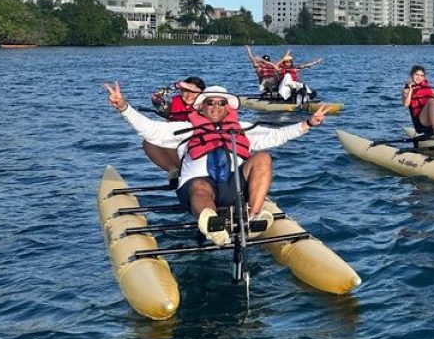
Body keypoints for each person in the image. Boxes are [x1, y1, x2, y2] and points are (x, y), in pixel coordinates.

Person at [105, 81, 326, 246]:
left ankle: (253, 218)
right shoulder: (184, 128)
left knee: (263, 158)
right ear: (201, 107)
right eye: (211, 102)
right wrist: (124, 107)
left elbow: (275, 136)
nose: (217, 107)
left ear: (228, 108)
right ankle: (211, 224)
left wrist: (307, 124)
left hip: (234, 189)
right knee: (201, 187)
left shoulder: (242, 126)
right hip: (196, 188)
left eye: (222, 103)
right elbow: (150, 129)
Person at [145, 77, 206, 173]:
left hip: (197, 150)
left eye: (193, 92)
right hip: (175, 149)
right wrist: (176, 85)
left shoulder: (207, 108)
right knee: (148, 141)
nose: (189, 95)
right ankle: (174, 172)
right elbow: (155, 97)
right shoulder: (171, 107)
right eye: (185, 91)